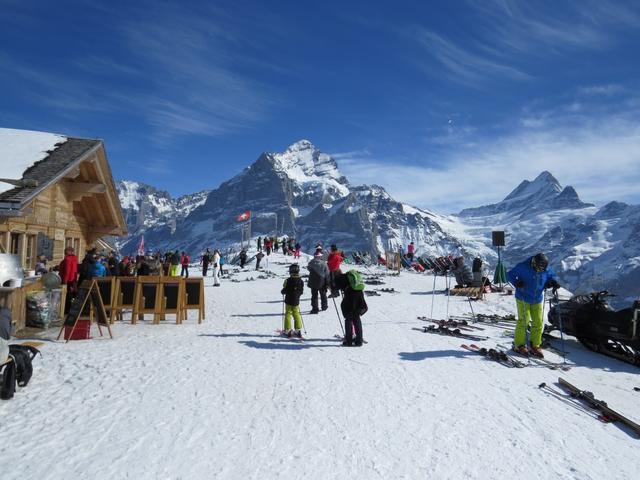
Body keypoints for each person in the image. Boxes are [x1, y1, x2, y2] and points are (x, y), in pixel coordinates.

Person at [507, 253, 560, 358]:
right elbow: (509, 274)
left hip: (537, 298)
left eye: (542, 269)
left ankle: (535, 345)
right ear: (534, 263)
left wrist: (553, 282)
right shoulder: (523, 266)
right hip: (523, 297)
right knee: (524, 320)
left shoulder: (545, 268)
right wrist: (517, 282)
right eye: (539, 268)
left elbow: (551, 275)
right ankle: (519, 345)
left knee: (538, 321)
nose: (541, 270)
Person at [334, 271, 368, 347]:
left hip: (350, 297)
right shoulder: (351, 277)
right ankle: (359, 341)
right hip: (359, 297)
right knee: (356, 318)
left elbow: (336, 287)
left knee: (348, 319)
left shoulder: (340, 278)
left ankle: (349, 341)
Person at [281, 264, 304, 338]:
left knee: (288, 313)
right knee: (296, 313)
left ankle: (287, 330)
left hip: (288, 300)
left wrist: (283, 291)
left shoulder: (288, 280)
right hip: (296, 300)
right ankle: (298, 330)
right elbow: (301, 291)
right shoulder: (301, 281)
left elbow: (285, 289)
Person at [307, 249, 330, 313]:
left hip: (313, 281)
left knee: (314, 295)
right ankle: (324, 306)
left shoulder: (311, 262)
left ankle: (315, 309)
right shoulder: (324, 264)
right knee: (323, 294)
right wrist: (327, 282)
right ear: (320, 256)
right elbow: (327, 273)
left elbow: (309, 268)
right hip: (322, 281)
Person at [58, 246, 79, 313]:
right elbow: (75, 270)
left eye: (66, 251)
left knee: (66, 295)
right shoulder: (74, 259)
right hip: (73, 279)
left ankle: (66, 310)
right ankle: (69, 308)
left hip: (67, 279)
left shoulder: (67, 259)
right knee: (70, 294)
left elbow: (67, 271)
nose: (65, 252)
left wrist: (64, 281)